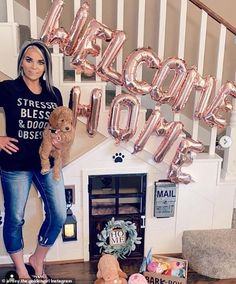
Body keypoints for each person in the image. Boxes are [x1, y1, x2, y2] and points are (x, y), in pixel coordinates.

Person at [0, 40, 67, 280]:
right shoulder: (7, 88)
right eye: (29, 60)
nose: (34, 67)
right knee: (15, 217)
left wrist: (59, 141)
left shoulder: (54, 93)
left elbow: (58, 128)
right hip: (14, 163)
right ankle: (20, 269)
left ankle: (37, 258)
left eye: (40, 62)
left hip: (45, 162)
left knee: (59, 213)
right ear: (21, 61)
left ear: (46, 66)